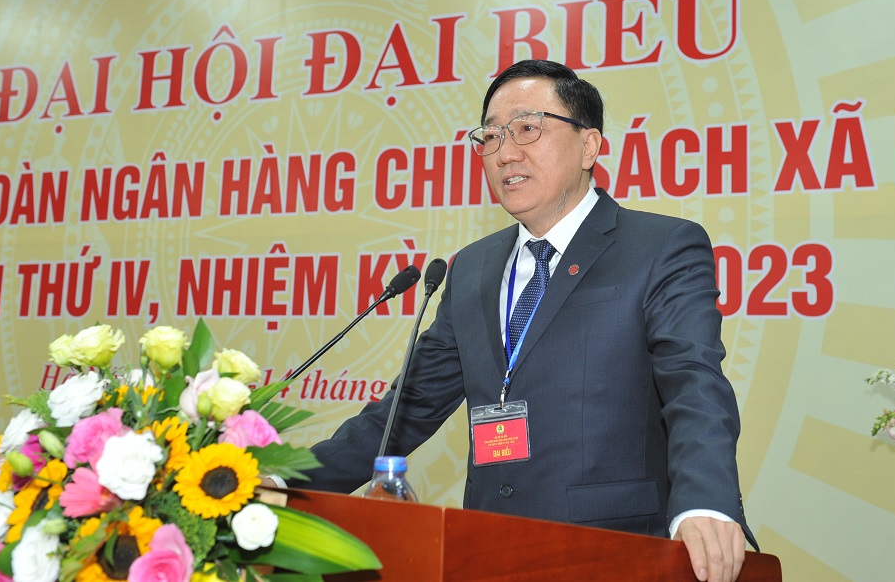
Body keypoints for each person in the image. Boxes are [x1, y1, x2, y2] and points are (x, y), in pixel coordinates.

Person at [303, 59, 754, 582]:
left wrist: (705, 502)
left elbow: (695, 383)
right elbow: (408, 407)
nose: (505, 153)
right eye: (490, 136)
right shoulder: (472, 268)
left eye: (527, 129)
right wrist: (285, 486)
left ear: (589, 146)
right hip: (486, 552)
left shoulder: (660, 247)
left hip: (615, 552)